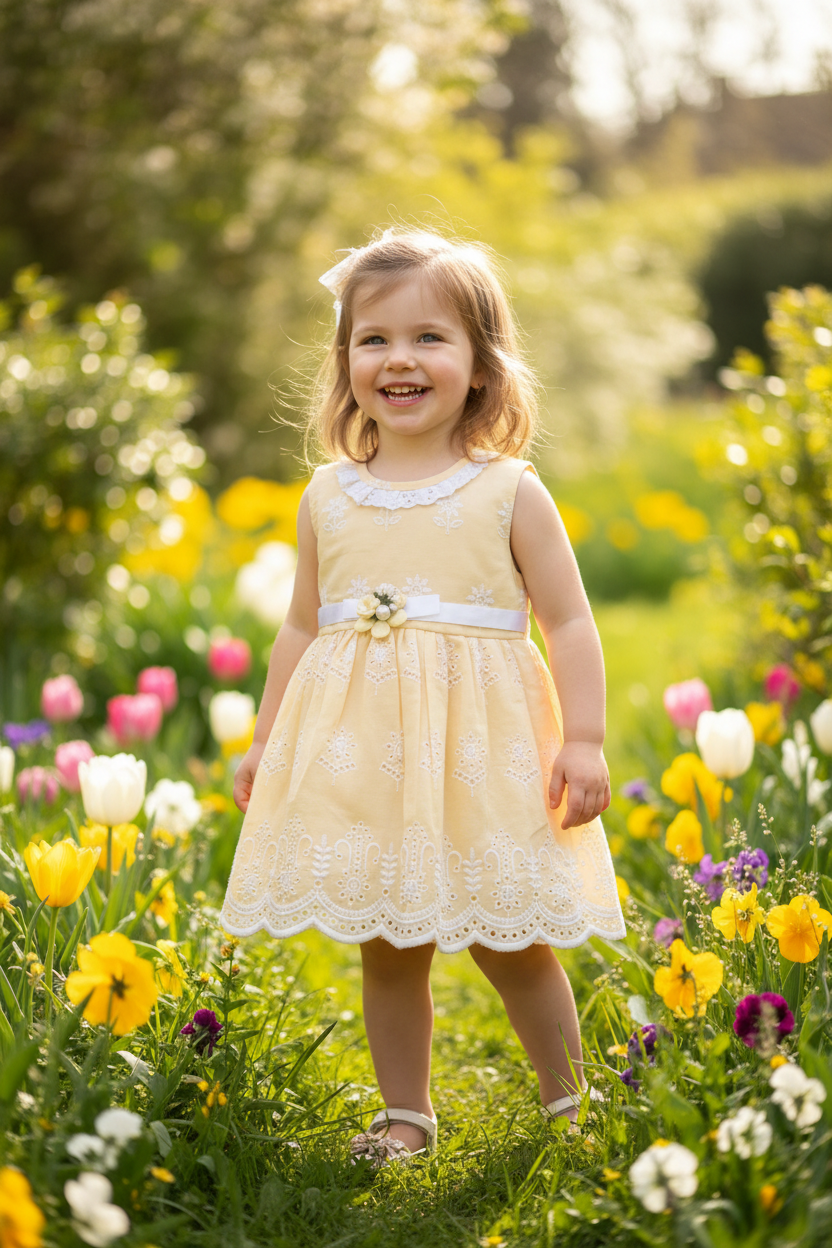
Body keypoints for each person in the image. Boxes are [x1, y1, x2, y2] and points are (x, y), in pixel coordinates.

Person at [219, 226, 626, 1166]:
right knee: (386, 942)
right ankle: (408, 1115)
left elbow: (568, 622)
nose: (400, 359)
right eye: (374, 339)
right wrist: (266, 739)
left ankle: (570, 1103)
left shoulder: (509, 491)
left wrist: (586, 740)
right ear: (346, 360)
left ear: (482, 365)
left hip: (481, 757)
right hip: (373, 760)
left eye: (429, 338)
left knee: (509, 940)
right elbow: (300, 628)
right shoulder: (328, 496)